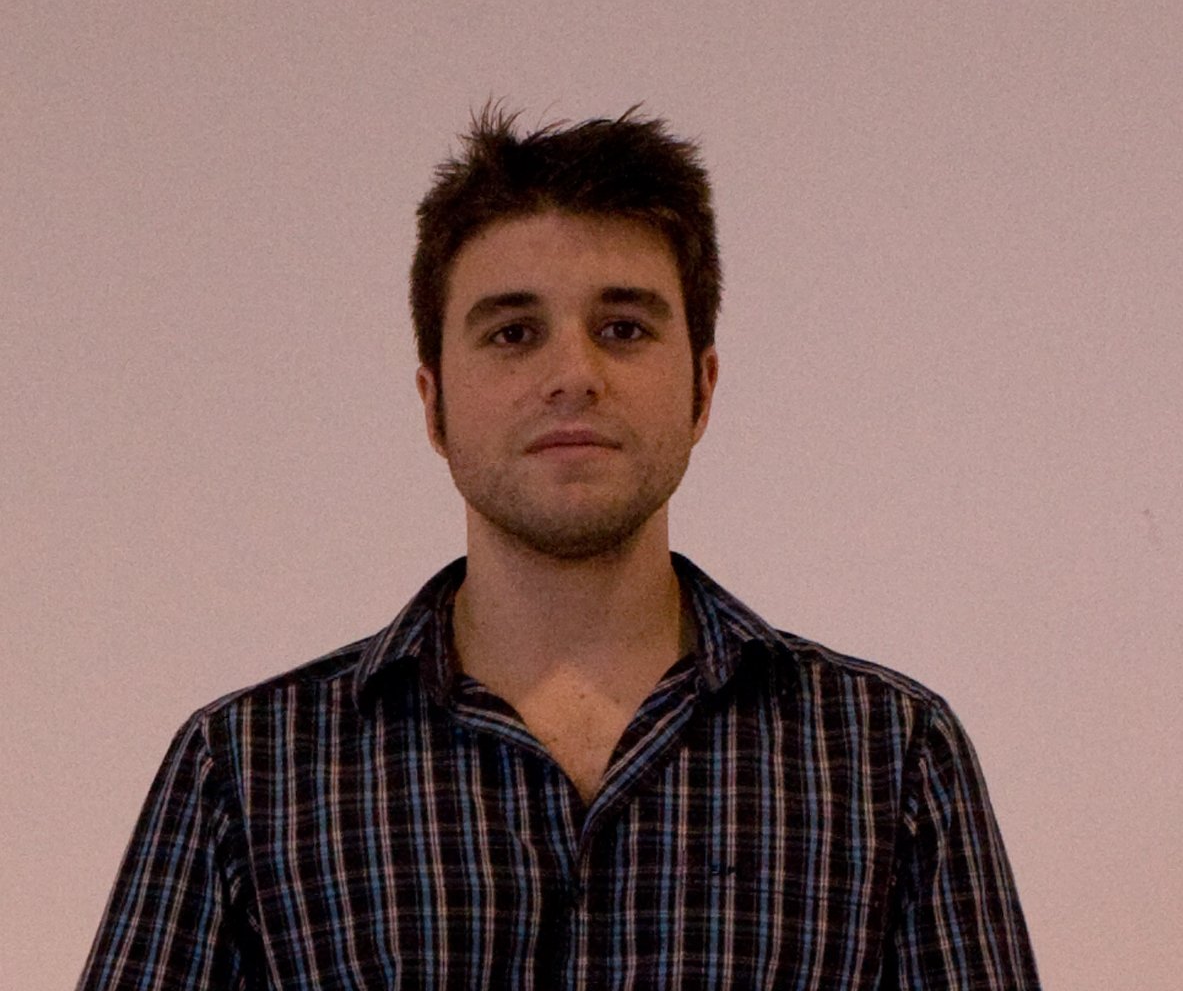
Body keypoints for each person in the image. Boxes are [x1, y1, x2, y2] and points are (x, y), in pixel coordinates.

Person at [78, 107, 1041, 989]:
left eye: (623, 328)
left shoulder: (886, 755)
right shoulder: (248, 772)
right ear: (433, 404)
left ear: (702, 389)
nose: (573, 374)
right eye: (512, 333)